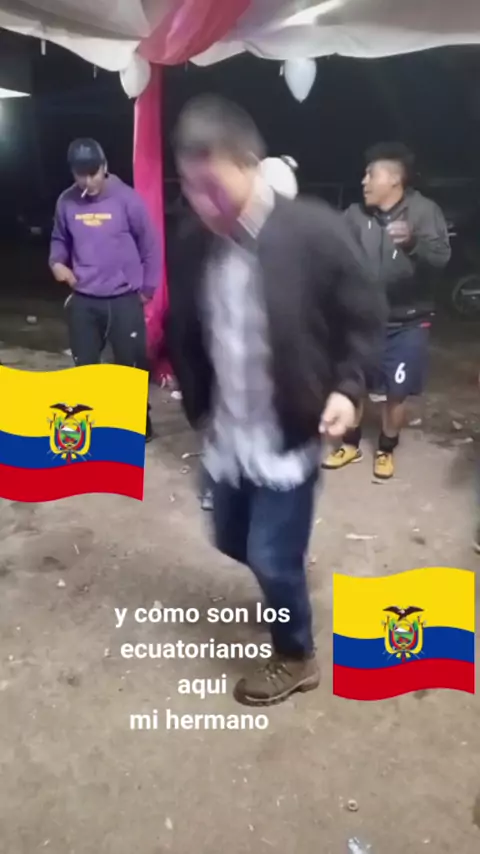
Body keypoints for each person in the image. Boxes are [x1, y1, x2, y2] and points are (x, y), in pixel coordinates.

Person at [166, 94, 385, 707]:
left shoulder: (313, 231)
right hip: (228, 430)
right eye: (190, 187)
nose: (202, 203)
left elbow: (364, 318)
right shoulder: (194, 239)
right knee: (229, 538)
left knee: (267, 553)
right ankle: (282, 569)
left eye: (213, 187)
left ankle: (296, 654)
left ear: (249, 163)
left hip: (289, 429)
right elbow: (188, 324)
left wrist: (348, 388)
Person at [323, 142, 451, 479]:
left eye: (371, 174)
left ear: (394, 179)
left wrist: (413, 243)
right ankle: (350, 445)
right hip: (362, 320)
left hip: (408, 321)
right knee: (354, 384)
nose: (363, 181)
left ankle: (385, 448)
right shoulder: (354, 215)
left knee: (396, 391)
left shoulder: (424, 212)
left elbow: (441, 258)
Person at [49, 139, 162, 441]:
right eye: (81, 174)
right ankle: (92, 427)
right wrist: (57, 262)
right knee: (86, 368)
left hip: (124, 299)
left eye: (93, 173)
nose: (88, 181)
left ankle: (137, 422)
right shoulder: (66, 202)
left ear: (104, 167)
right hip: (84, 300)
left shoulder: (127, 199)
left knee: (130, 368)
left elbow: (150, 246)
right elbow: (59, 239)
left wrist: (148, 288)